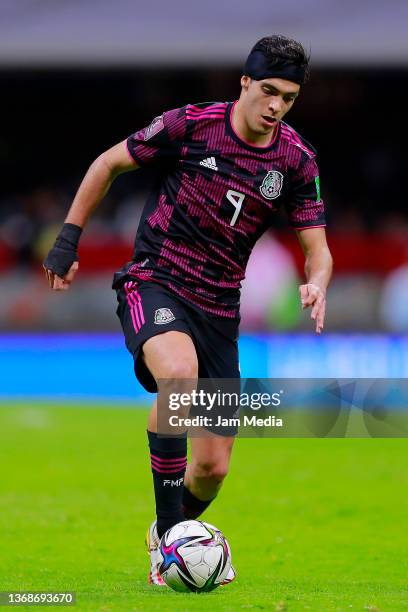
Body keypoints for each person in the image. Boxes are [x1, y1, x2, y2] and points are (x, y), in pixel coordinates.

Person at [43, 34, 333, 586]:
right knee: (178, 377)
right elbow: (108, 163)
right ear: (244, 83)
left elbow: (318, 248)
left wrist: (317, 282)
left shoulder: (296, 160)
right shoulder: (191, 124)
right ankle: (171, 551)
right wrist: (68, 239)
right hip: (156, 280)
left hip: (221, 309)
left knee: (212, 468)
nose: (275, 106)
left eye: (288, 98)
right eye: (268, 90)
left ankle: (168, 531)